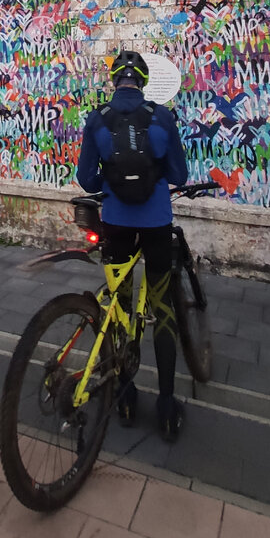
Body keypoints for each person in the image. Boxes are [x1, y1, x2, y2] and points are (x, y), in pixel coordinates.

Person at [76, 49, 189, 440]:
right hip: (157, 221)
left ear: (114, 80)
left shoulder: (98, 118)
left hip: (117, 223)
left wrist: (114, 175)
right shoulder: (162, 116)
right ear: (142, 80)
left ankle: (125, 396)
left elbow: (87, 180)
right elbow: (179, 173)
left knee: (121, 305)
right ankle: (168, 406)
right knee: (162, 307)